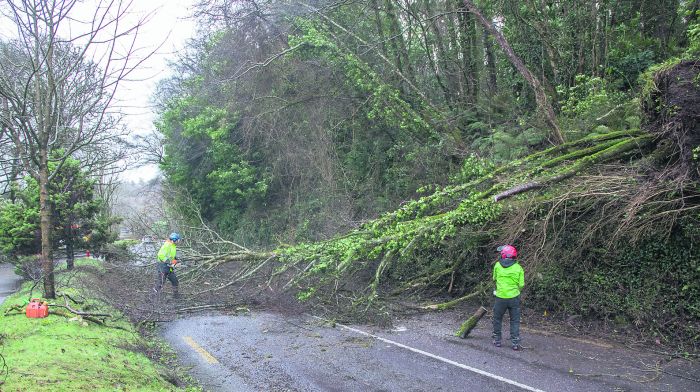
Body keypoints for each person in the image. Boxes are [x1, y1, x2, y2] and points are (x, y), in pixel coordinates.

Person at [492, 244, 525, 351]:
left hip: (500, 297)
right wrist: (516, 291)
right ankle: (515, 342)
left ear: (503, 255)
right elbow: (521, 284)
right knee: (514, 320)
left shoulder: (497, 265)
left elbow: (494, 278)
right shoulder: (518, 268)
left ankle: (497, 340)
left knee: (497, 319)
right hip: (514, 298)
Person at [154, 232, 181, 298]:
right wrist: (170, 262)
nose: (178, 241)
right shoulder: (167, 245)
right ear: (174, 240)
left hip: (169, 268)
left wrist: (176, 260)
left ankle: (176, 296)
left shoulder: (173, 246)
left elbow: (171, 256)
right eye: (177, 240)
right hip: (162, 267)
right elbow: (161, 255)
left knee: (175, 281)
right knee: (160, 283)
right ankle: (153, 297)